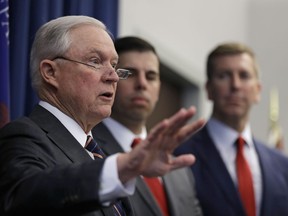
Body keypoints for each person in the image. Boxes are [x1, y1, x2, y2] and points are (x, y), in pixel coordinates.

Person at [0, 16, 205, 216]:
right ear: (51, 72)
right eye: (95, 61)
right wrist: (123, 168)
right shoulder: (22, 136)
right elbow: (25, 197)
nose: (114, 76)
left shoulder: (96, 152)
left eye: (114, 65)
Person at [92, 36, 203, 216]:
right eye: (130, 73)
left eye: (151, 76)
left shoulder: (179, 171)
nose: (142, 84)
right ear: (111, 78)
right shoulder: (89, 149)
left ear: (159, 87)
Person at [174, 42, 288, 216]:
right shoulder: (180, 156)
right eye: (224, 76)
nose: (235, 85)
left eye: (244, 75)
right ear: (209, 89)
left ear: (258, 90)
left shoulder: (282, 165)